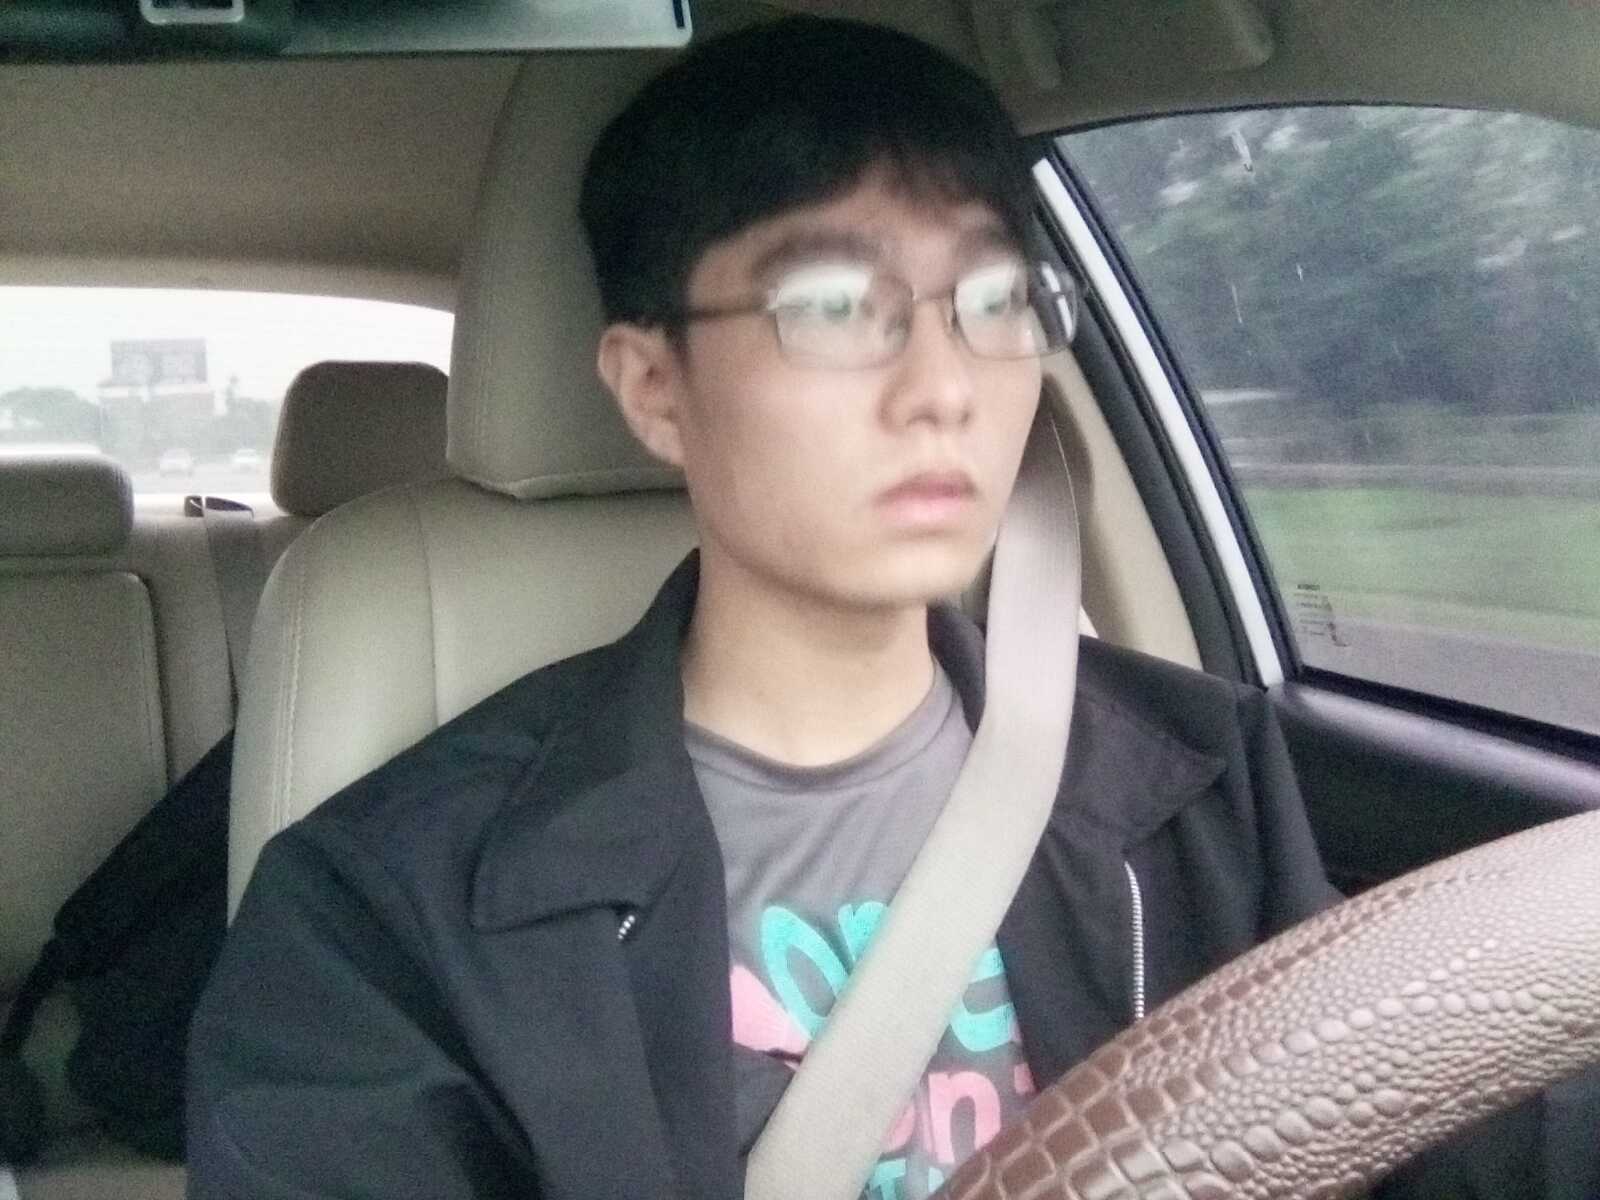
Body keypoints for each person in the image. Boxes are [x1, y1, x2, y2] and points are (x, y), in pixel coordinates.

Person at [185, 17, 1347, 1199]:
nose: (944, 388)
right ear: (654, 389)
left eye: (995, 299)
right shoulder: (388, 916)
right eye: (835, 306)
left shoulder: (1201, 785)